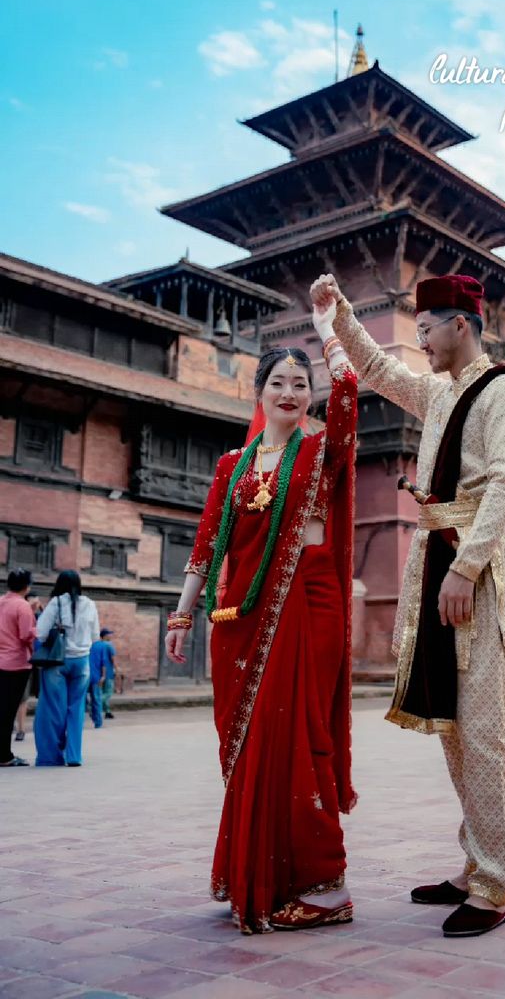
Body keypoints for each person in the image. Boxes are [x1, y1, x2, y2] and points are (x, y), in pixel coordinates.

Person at [313, 270, 505, 939]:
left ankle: (494, 886)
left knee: (482, 735)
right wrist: (342, 315)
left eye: (426, 331)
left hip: (473, 570)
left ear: (460, 325)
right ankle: (475, 864)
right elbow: (382, 374)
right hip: (437, 562)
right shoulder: (443, 392)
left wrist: (466, 568)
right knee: (452, 730)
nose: (421, 344)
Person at [165, 308, 358, 935]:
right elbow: (207, 545)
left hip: (310, 604)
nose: (290, 392)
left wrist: (330, 327)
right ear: (259, 392)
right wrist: (182, 613)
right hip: (243, 617)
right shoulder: (232, 465)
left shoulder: (323, 448)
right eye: (279, 382)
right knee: (251, 744)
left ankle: (314, 883)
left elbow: (350, 391)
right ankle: (260, 871)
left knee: (299, 734)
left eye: (301, 384)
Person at [34, 570, 100, 767]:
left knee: (54, 709)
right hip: (82, 662)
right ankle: (73, 756)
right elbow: (95, 636)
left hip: (58, 662)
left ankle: (50, 757)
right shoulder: (90, 604)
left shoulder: (57, 602)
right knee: (76, 708)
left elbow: (40, 633)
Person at [0, 569, 36, 767]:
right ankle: (4, 756)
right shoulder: (22, 606)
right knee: (8, 711)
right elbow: (26, 636)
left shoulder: (1, 601)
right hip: (16, 664)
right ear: (26, 585)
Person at [13, 591, 41, 742]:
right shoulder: (21, 612)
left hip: (28, 661)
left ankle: (21, 729)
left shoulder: (38, 616)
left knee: (22, 698)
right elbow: (25, 635)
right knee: (17, 697)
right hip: (18, 659)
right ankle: (17, 728)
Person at [88, 629, 116, 727]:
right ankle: (98, 722)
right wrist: (103, 676)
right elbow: (104, 662)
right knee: (99, 697)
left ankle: (103, 712)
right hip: (97, 675)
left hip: (84, 675)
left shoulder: (86, 645)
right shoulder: (105, 645)